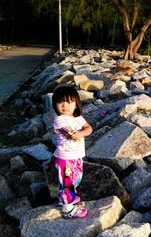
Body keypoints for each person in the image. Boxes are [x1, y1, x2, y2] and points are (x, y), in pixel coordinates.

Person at [52, 86, 92, 219]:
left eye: (69, 102)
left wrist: (81, 132)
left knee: (75, 180)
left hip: (76, 156)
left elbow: (89, 128)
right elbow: (71, 134)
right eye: (60, 102)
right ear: (55, 105)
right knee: (67, 183)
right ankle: (68, 210)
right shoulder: (60, 119)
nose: (64, 106)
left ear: (76, 104)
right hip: (65, 158)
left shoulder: (78, 118)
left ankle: (69, 198)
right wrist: (80, 133)